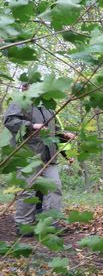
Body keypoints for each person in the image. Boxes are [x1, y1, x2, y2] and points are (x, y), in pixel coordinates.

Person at [3, 82, 75, 236]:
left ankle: (50, 225)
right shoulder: (20, 102)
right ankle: (24, 226)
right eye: (26, 87)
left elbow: (53, 132)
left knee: (54, 187)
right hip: (28, 156)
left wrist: (64, 135)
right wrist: (31, 125)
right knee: (27, 191)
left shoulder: (48, 106)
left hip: (49, 157)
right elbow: (9, 121)